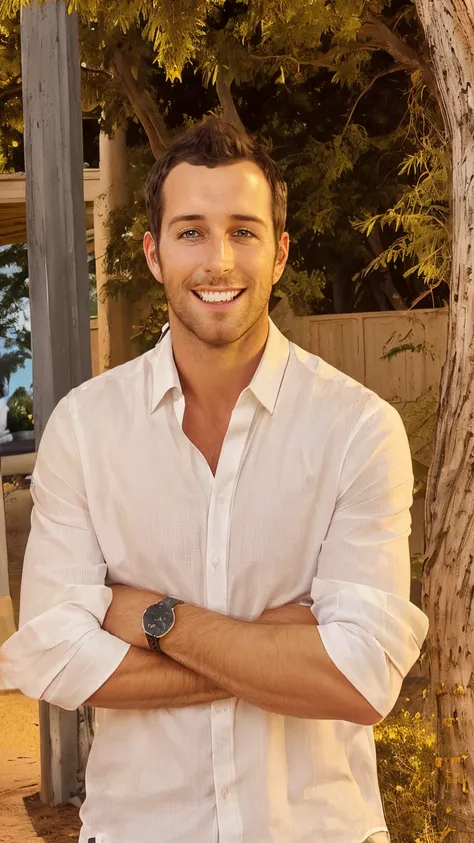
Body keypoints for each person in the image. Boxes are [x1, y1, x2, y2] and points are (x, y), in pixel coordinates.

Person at [0, 119, 428, 843]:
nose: (219, 259)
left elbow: (361, 678)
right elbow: (51, 654)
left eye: (244, 231)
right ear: (153, 254)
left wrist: (152, 618)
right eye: (192, 231)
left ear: (281, 252)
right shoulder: (86, 429)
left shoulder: (358, 430)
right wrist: (276, 650)